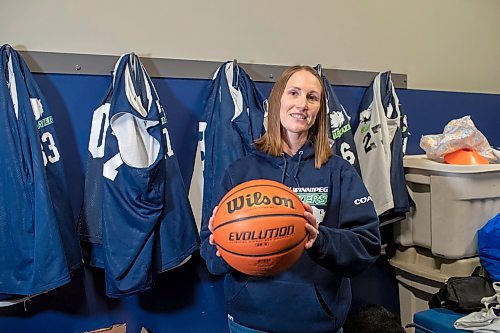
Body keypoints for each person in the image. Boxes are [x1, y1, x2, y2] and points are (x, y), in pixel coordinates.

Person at [200, 65, 381, 333]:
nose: (302, 104)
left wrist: (318, 239)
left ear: (320, 109)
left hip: (318, 323)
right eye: (293, 93)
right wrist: (226, 247)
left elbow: (367, 246)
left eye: (312, 97)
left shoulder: (339, 171)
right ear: (277, 101)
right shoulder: (240, 172)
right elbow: (210, 254)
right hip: (250, 323)